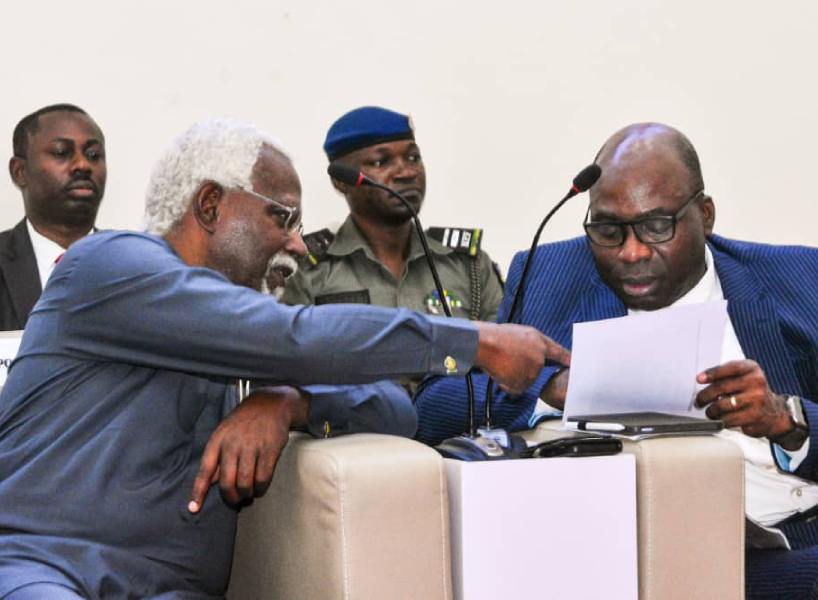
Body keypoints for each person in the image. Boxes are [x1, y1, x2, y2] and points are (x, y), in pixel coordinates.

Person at [0, 118, 567, 599]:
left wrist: (290, 401)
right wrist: (474, 341)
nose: (297, 243)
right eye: (282, 218)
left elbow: (396, 410)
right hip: (44, 570)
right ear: (210, 204)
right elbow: (295, 337)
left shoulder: (237, 323)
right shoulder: (111, 266)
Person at [414, 122, 818, 599]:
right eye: (608, 230)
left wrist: (787, 420)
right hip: (629, 551)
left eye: (657, 226)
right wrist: (551, 389)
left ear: (705, 215)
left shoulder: (795, 276)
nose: (631, 252)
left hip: (787, 537)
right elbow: (431, 407)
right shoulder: (549, 277)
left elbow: (794, 421)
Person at [282, 106, 504, 322]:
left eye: (413, 158)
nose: (406, 172)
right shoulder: (306, 269)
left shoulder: (468, 266)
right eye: (381, 162)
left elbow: (506, 342)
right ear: (341, 181)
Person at [1, 103, 106, 331]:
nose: (83, 165)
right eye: (61, 152)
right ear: (20, 171)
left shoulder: (141, 267)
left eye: (93, 155)